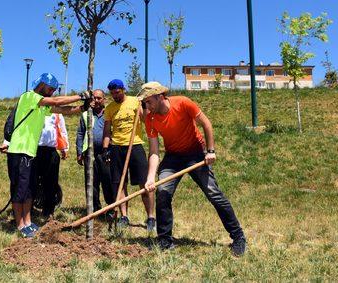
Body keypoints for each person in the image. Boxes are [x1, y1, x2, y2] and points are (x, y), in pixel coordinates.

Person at [140, 81, 246, 255]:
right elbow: (153, 152)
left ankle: (238, 237)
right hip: (173, 157)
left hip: (196, 153)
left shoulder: (182, 102)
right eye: (144, 103)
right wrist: (151, 178)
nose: (146, 106)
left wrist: (210, 151)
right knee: (162, 193)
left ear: (160, 97)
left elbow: (206, 123)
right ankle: (165, 240)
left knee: (213, 193)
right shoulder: (150, 119)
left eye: (148, 101)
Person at [1, 73, 90, 238]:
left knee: (29, 189)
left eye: (54, 90)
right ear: (41, 85)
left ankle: (27, 221)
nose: (52, 93)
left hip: (30, 152)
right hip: (19, 150)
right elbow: (56, 102)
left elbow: (62, 110)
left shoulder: (42, 105)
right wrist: (80, 95)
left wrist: (83, 107)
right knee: (20, 189)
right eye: (50, 89)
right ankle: (20, 224)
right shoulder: (29, 97)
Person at [102, 79, 155, 235]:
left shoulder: (135, 102)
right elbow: (107, 130)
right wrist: (106, 148)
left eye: (117, 93)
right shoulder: (110, 108)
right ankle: (124, 216)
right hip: (117, 147)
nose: (115, 96)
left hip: (135, 145)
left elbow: (146, 119)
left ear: (123, 90)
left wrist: (144, 107)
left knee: (144, 183)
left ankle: (151, 217)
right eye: (112, 94)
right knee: (119, 183)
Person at [76, 89, 114, 216]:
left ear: (104, 99)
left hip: (106, 152)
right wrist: (79, 151)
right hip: (89, 153)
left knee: (108, 180)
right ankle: (94, 209)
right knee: (91, 181)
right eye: (94, 98)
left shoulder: (109, 114)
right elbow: (80, 133)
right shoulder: (86, 115)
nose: (96, 101)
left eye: (99, 98)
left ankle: (111, 207)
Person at [34, 113, 69, 217]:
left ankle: (48, 211)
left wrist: (64, 149)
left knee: (51, 182)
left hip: (51, 151)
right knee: (33, 181)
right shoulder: (36, 110)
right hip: (35, 150)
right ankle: (30, 209)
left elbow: (62, 131)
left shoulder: (57, 114)